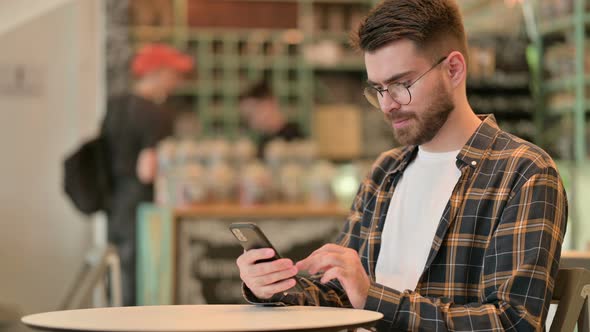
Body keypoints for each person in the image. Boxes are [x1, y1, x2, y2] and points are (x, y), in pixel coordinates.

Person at [235, 0, 568, 330]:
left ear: (453, 69)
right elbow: (341, 295)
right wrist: (275, 287)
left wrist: (374, 298)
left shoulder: (523, 173)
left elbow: (513, 323)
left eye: (401, 84)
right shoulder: (385, 172)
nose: (388, 105)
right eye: (378, 89)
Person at [101, 43, 193, 306]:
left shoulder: (116, 104)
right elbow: (147, 169)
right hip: (140, 202)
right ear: (158, 72)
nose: (177, 81)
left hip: (113, 199)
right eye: (174, 73)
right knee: (140, 273)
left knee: (117, 269)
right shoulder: (156, 113)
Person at [238, 80, 304, 158]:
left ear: (268, 104)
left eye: (251, 115)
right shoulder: (264, 141)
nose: (251, 123)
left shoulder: (295, 140)